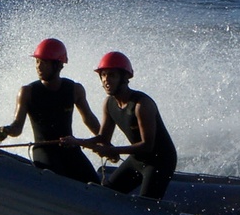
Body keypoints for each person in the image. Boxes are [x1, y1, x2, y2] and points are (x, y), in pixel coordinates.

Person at [67, 51, 178, 199]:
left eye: (111, 75)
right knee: (106, 194)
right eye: (103, 75)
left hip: (159, 162)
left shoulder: (141, 105)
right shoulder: (109, 103)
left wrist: (112, 150)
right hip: (138, 159)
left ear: (124, 78)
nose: (106, 80)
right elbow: (103, 137)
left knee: (146, 205)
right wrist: (76, 142)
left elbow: (147, 145)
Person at [0, 38, 100, 183]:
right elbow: (17, 127)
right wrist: (7, 130)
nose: (38, 66)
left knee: (94, 184)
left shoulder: (75, 89)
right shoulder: (27, 92)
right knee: (57, 181)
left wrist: (104, 140)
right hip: (43, 150)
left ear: (58, 65)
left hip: (70, 149)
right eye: (37, 62)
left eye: (43, 62)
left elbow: (89, 119)